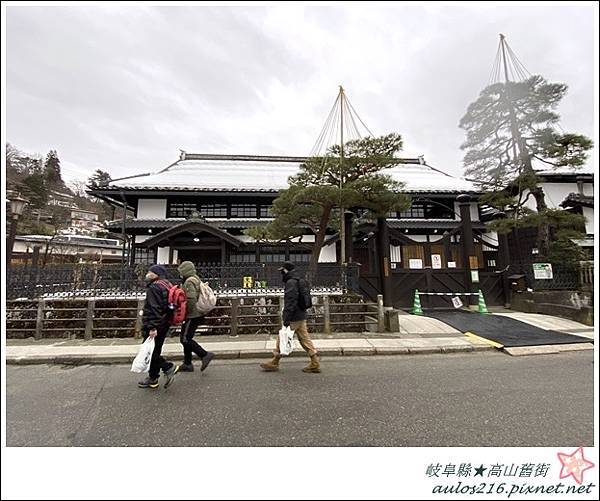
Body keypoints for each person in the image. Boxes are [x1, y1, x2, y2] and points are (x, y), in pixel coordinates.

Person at [260, 261, 321, 373]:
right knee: (304, 339)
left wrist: (286, 318)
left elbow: (290, 302)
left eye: (282, 271)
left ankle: (275, 361)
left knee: (282, 337)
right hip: (301, 313)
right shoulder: (300, 280)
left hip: (294, 315)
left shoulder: (291, 282)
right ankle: (315, 362)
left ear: (286, 270)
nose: (281, 273)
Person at [137, 264, 179, 389]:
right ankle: (153, 377)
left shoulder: (154, 288)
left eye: (150, 272)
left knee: (150, 352)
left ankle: (168, 367)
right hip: (165, 322)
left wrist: (152, 327)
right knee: (155, 349)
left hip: (156, 323)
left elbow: (154, 309)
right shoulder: (167, 285)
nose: (147, 274)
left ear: (156, 274)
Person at [177, 261, 215, 372]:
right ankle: (187, 362)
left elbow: (191, 298)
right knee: (186, 338)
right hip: (197, 314)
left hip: (192, 315)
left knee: (185, 339)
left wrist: (185, 312)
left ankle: (204, 354)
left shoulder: (189, 281)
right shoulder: (196, 278)